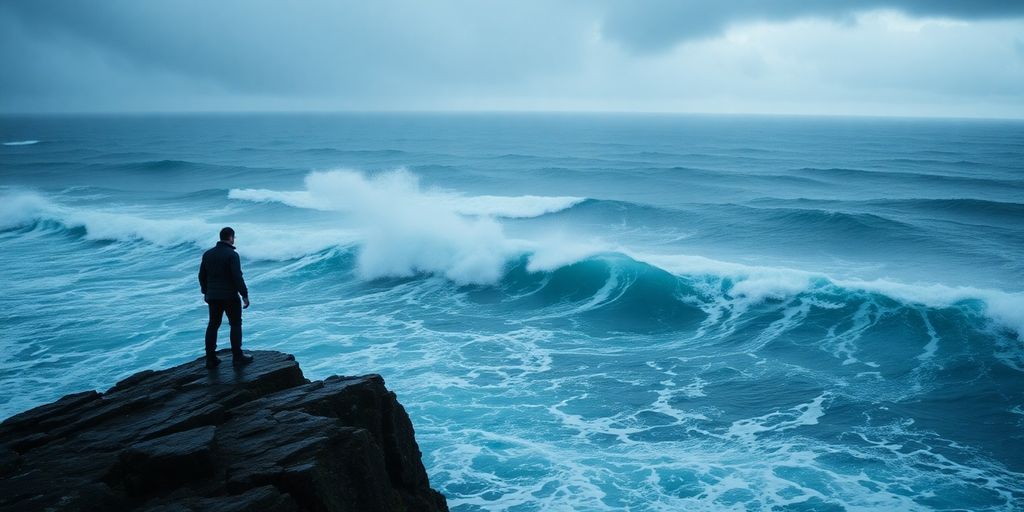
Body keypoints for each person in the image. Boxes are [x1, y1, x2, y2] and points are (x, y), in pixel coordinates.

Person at [198, 227, 253, 368]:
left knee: (213, 325)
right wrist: (244, 295)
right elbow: (237, 277)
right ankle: (237, 357)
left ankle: (210, 358)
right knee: (235, 324)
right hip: (229, 296)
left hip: (213, 296)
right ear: (231, 238)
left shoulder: (208, 254)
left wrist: (206, 292)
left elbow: (201, 276)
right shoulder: (232, 255)